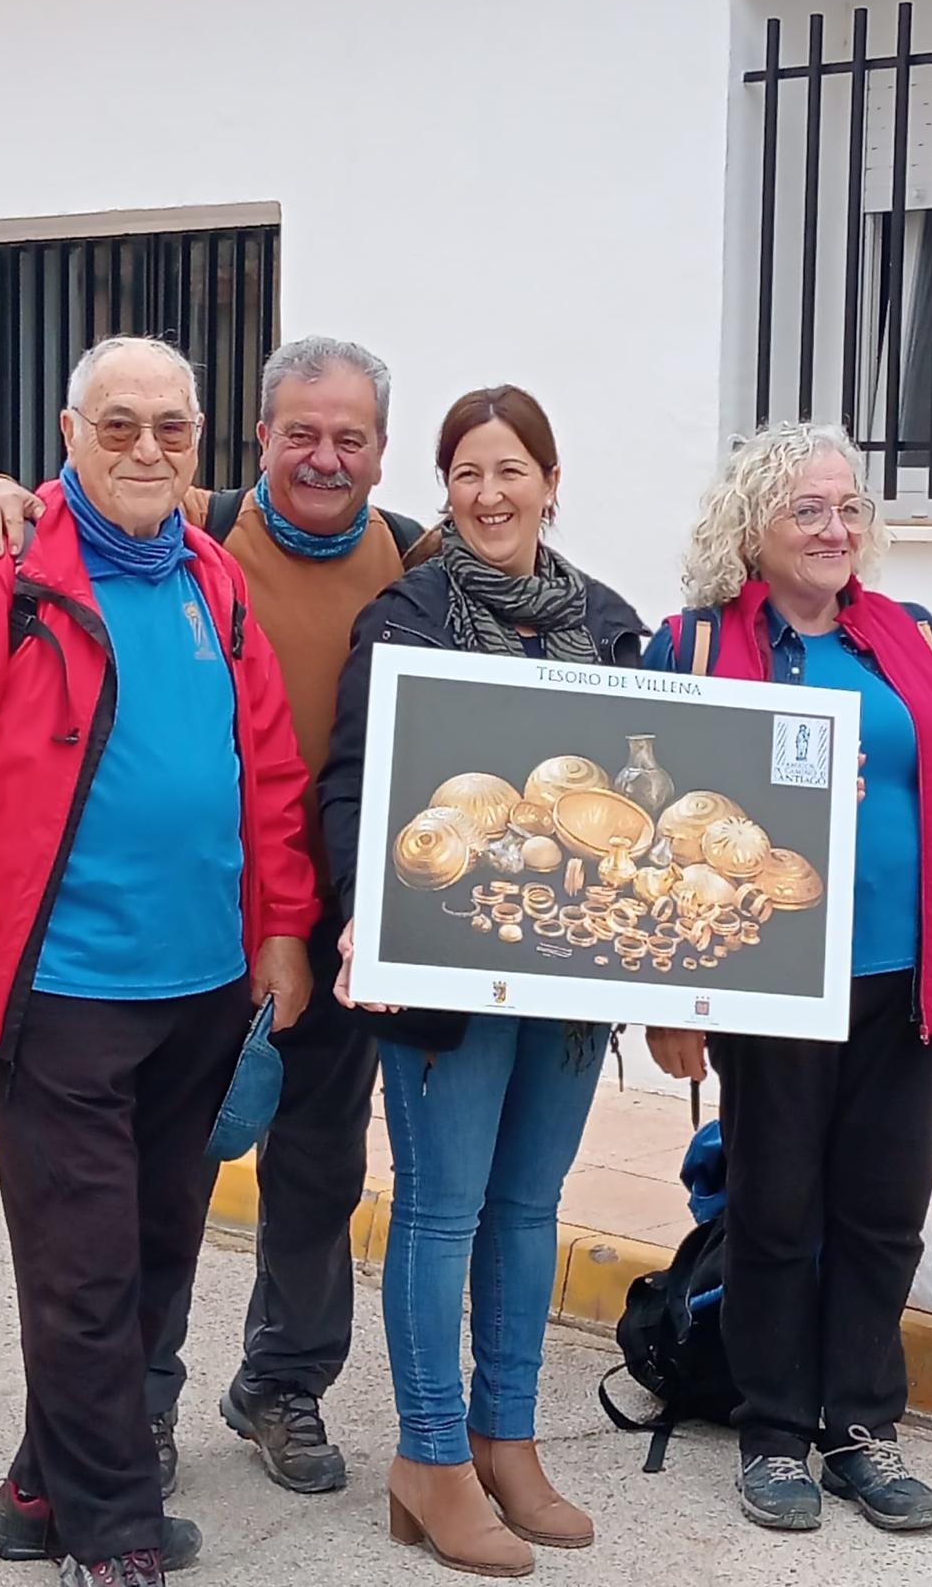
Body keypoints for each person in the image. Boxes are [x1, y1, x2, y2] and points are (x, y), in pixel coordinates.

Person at [0, 335, 422, 1499]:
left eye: (350, 437)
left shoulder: (405, 556)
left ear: (377, 450)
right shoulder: (145, 538)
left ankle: (270, 1391)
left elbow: (533, 642)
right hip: (132, 950)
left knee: (296, 1182)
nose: (325, 456)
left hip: (315, 930)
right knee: (117, 1233)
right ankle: (122, 1457)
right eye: (300, 431)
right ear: (257, 439)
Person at [0, 336, 318, 1586]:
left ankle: (42, 1488)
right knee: (84, 1269)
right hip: (61, 995)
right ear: (69, 429)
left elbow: (271, 770)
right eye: (121, 424)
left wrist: (283, 927)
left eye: (175, 429)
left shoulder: (213, 575)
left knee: (151, 1254)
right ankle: (112, 1533)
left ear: (205, 440)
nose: (149, 449)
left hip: (200, 990)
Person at [642, 422, 932, 1535]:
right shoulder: (695, 646)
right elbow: (658, 837)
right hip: (773, 976)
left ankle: (858, 1427)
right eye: (808, 509)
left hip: (906, 973)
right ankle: (771, 1432)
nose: (835, 529)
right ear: (753, 524)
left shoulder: (910, 638)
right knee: (775, 1204)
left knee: (882, 1208)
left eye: (847, 508)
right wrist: (670, 995)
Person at [322, 386, 644, 1576]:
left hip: (564, 980)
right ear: (443, 487)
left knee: (526, 1209)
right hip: (441, 978)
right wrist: (369, 917)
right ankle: (428, 1456)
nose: (491, 493)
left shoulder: (611, 628)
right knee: (443, 1207)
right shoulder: (401, 618)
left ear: (549, 483)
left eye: (513, 470)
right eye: (467, 472)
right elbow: (352, 791)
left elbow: (645, 813)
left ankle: (506, 1438)